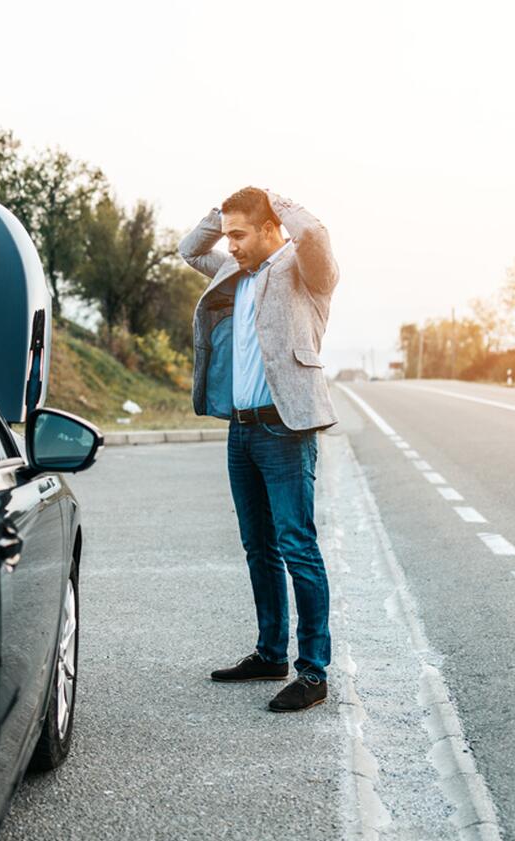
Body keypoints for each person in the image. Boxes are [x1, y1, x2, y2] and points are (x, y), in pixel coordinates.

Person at [179, 187, 339, 712]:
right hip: (242, 429)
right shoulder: (234, 271)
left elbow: (312, 232)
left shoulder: (303, 267)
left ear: (272, 229)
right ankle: (271, 652)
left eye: (241, 235)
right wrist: (221, 213)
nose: (231, 245)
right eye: (228, 237)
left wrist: (276, 198)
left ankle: (312, 672)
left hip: (285, 428)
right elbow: (188, 249)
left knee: (297, 545)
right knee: (258, 548)